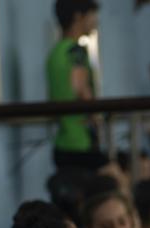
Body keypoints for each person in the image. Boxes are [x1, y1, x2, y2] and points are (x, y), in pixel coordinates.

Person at [47, 0, 107, 170]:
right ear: (78, 17)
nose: (96, 21)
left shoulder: (56, 52)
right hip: (80, 142)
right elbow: (80, 88)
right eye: (92, 15)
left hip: (63, 140)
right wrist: (95, 116)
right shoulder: (76, 51)